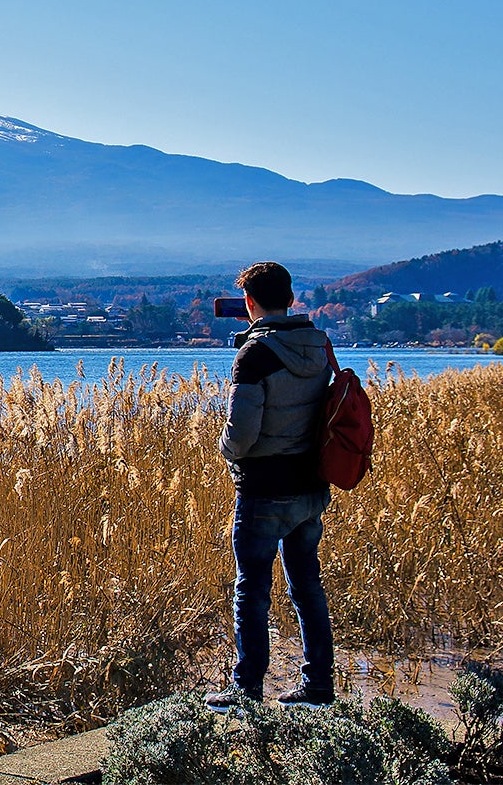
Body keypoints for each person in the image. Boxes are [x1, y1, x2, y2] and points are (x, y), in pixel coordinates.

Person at [204, 261, 335, 712]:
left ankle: (246, 688)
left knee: (252, 589)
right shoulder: (319, 344)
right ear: (291, 298)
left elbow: (241, 434)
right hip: (311, 486)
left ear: (249, 302)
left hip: (263, 489)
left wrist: (224, 449)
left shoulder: (255, 355)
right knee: (306, 587)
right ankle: (318, 684)